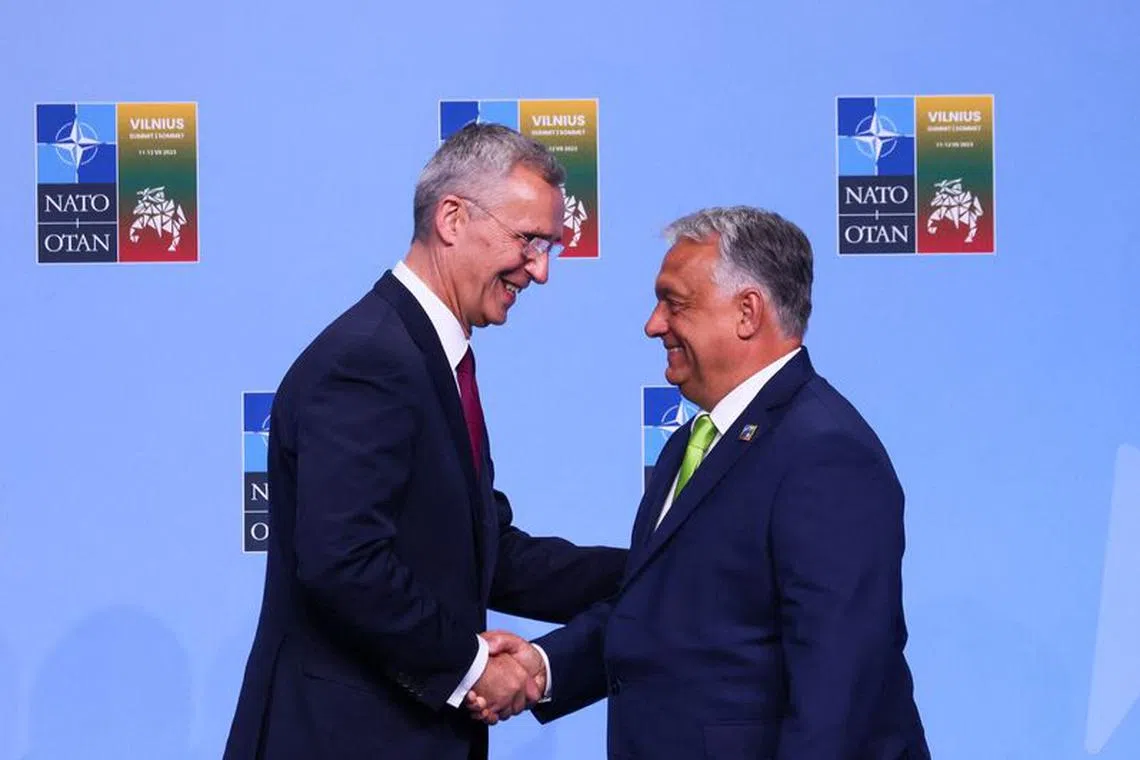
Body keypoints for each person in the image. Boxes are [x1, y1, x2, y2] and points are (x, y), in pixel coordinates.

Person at [224, 123, 627, 760]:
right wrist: (473, 665)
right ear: (452, 217)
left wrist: (652, 568)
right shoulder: (369, 360)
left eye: (550, 247)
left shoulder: (422, 355)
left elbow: (488, 556)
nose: (541, 271)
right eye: (528, 241)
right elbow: (344, 559)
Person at [473, 206, 929, 759]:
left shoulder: (824, 453)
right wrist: (542, 668)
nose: (653, 324)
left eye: (675, 302)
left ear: (747, 312)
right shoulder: (692, 443)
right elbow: (662, 607)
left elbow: (841, 686)